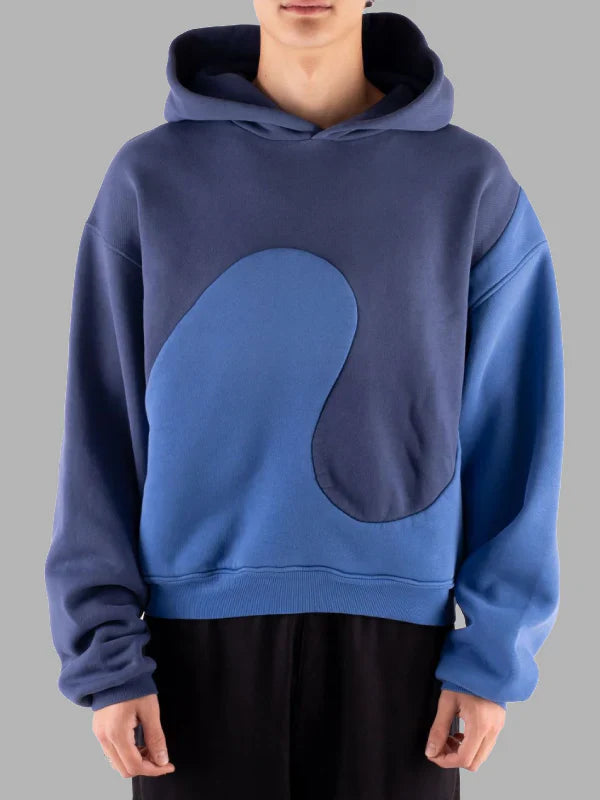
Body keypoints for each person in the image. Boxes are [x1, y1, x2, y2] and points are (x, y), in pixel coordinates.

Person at [44, 2, 564, 798]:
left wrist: (494, 653)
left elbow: (517, 431)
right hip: (185, 654)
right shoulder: (149, 178)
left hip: (404, 657)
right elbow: (99, 427)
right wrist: (105, 657)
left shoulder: (469, 182)